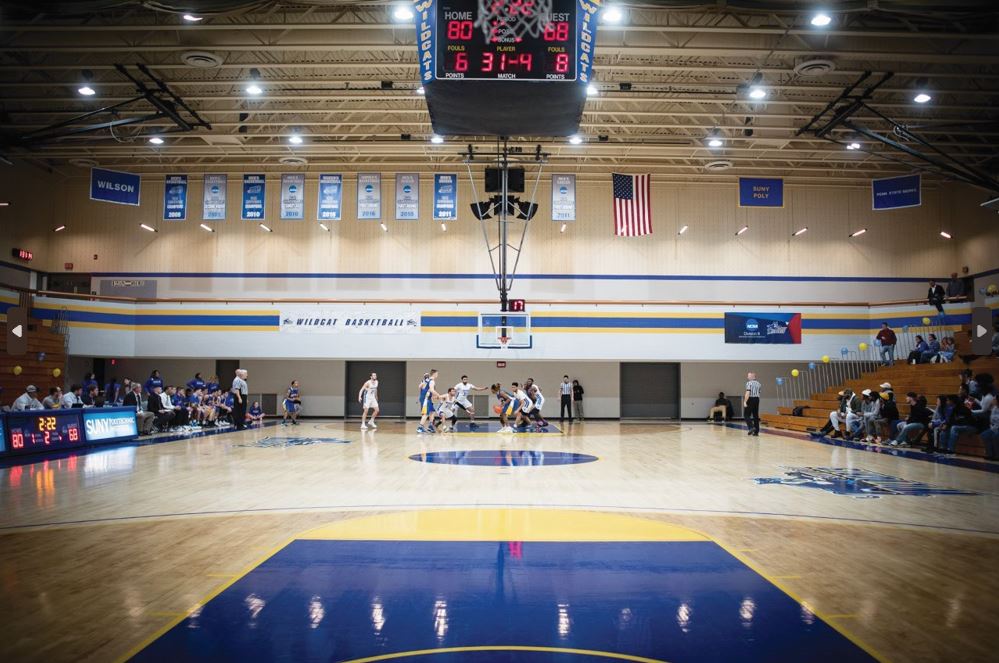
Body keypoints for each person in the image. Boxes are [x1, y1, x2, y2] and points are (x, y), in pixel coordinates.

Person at [417, 370, 440, 434]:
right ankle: (420, 428)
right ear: (434, 374)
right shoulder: (431, 381)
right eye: (437, 374)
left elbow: (424, 389)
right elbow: (432, 390)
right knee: (426, 414)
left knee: (432, 412)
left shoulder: (427, 380)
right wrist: (439, 395)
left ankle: (430, 426)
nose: (437, 375)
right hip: (426, 399)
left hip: (427, 398)